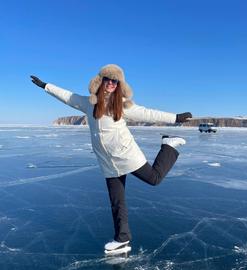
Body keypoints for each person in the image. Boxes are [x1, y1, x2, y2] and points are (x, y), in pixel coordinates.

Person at [30, 64, 192, 252]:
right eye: (108, 79)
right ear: (101, 81)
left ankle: (169, 145)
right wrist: (45, 86)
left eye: (115, 81)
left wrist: (176, 117)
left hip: (126, 154)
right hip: (107, 161)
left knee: (154, 179)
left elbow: (148, 113)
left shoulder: (122, 105)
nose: (111, 83)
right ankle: (122, 238)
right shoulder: (88, 103)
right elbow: (66, 96)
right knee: (117, 202)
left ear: (119, 84)